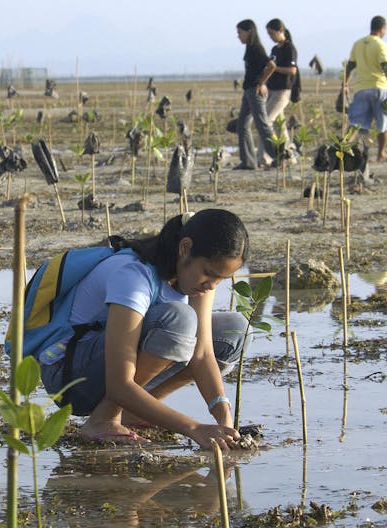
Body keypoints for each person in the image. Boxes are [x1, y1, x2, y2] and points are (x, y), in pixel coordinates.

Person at [39, 209, 249, 450]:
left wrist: (224, 418)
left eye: (221, 279)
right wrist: (194, 429)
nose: (212, 286)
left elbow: (202, 354)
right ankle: (104, 418)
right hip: (69, 377)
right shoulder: (135, 275)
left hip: (112, 372)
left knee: (235, 331)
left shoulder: (196, 280)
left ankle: (132, 412)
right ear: (184, 248)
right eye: (209, 275)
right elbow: (119, 384)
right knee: (180, 320)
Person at [343, 15, 387, 162]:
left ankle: (344, 151)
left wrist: (345, 84)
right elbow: (386, 67)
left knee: (356, 124)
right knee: (383, 124)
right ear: (382, 28)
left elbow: (350, 66)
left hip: (361, 89)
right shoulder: (381, 45)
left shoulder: (358, 44)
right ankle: (381, 154)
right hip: (379, 88)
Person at [234, 19, 277, 171]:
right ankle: (248, 162)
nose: (238, 36)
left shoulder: (256, 48)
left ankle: (278, 157)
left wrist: (262, 83)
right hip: (248, 91)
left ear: (249, 31)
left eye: (240, 33)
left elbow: (271, 65)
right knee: (242, 125)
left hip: (255, 91)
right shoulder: (249, 48)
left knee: (262, 125)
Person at [257, 18, 298, 168]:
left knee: (265, 122)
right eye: (268, 34)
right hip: (272, 91)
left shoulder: (289, 49)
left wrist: (276, 68)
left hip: (283, 92)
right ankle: (289, 156)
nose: (270, 37)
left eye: (272, 33)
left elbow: (292, 70)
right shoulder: (275, 50)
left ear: (281, 31)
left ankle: (264, 157)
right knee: (280, 126)